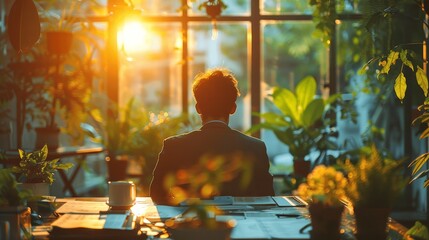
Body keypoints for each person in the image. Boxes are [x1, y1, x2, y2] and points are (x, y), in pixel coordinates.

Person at [149, 68, 274, 204]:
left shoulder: (174, 146)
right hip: (245, 223)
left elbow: (157, 193)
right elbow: (267, 197)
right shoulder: (255, 147)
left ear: (198, 108)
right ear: (233, 108)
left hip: (188, 222)